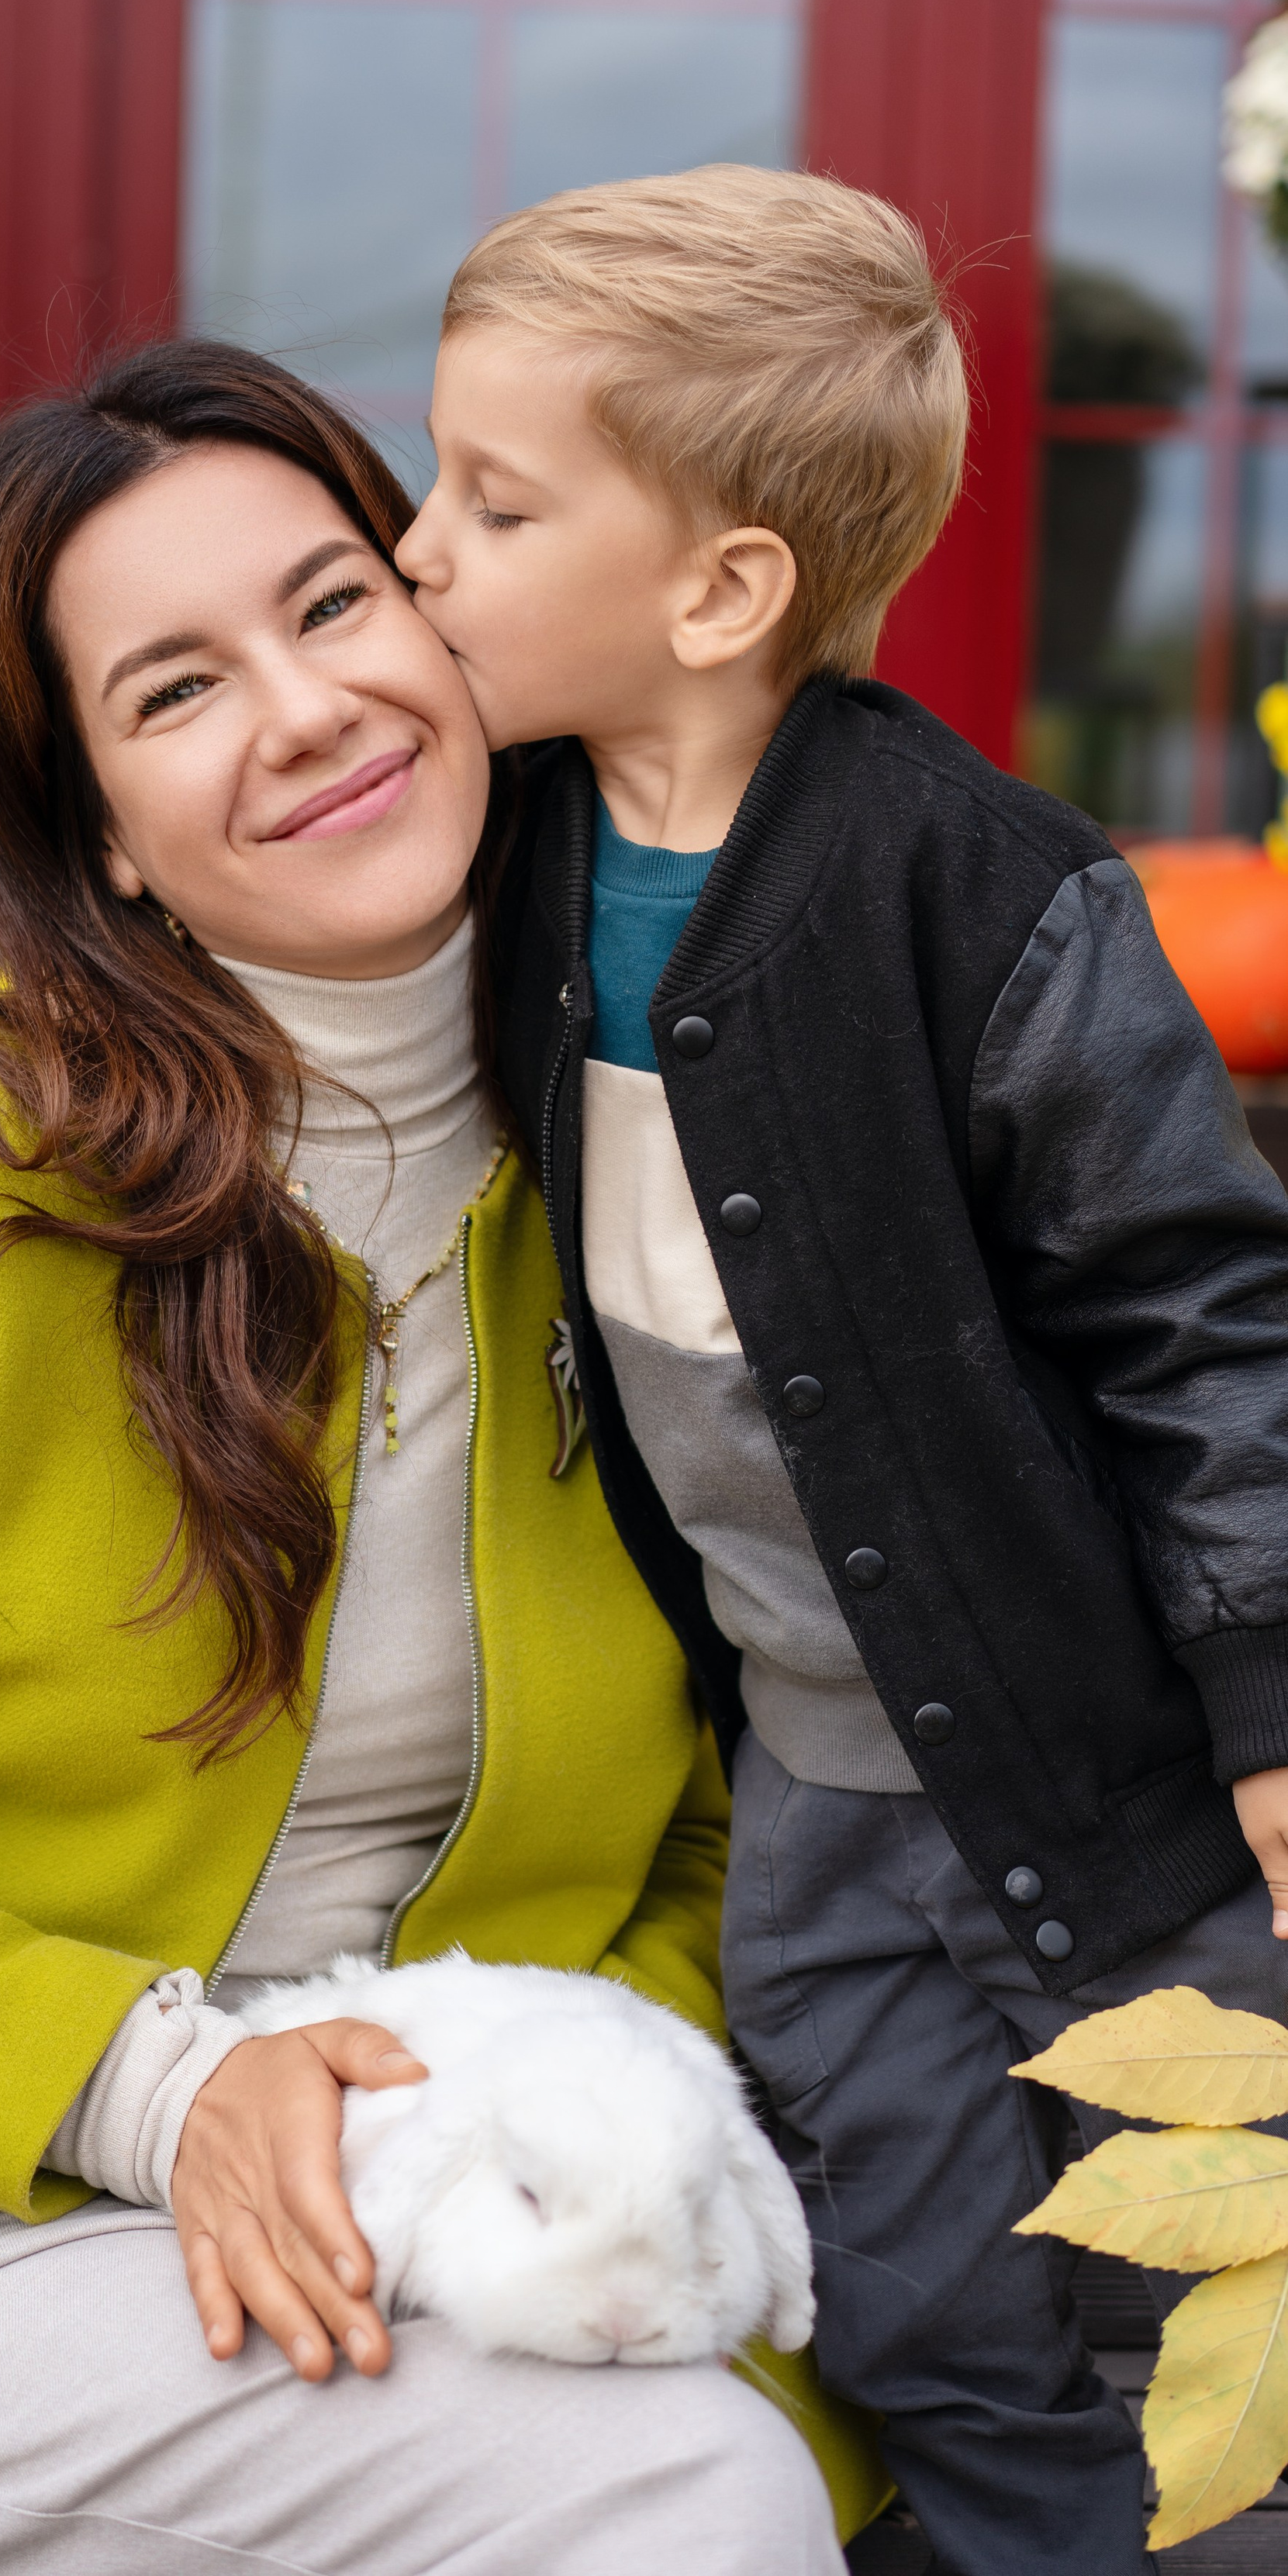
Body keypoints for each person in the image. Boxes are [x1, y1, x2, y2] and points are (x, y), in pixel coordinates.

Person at [0, 340, 877, 2576]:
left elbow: (721, 1809)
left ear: (444, 627)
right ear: (99, 820)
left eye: (330, 607)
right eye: (174, 689)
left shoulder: (653, 1145)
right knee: (681, 2507)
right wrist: (171, 2086)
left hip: (432, 2205)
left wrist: (530, 2115)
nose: (303, 713)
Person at [392, 161, 1288, 2575]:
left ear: (719, 588)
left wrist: (1277, 1710)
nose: (418, 550)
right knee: (894, 2292)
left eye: (490, 499)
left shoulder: (982, 893)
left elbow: (1204, 1321)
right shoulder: (506, 852)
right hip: (802, 1780)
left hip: (1096, 1776)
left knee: (1198, 2282)